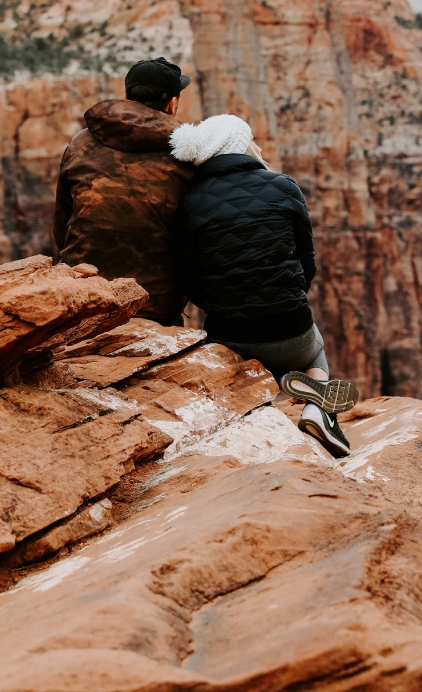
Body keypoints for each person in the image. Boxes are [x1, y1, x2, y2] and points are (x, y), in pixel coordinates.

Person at [170, 113, 359, 458]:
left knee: (242, 357)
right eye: (250, 138)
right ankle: (319, 410)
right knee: (314, 352)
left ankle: (257, 422)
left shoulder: (190, 201)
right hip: (290, 326)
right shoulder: (283, 185)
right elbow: (307, 261)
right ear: (238, 145)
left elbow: (190, 277)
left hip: (231, 335)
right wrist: (288, 296)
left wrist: (223, 306)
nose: (257, 144)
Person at [53, 57, 194, 324]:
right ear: (172, 104)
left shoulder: (80, 142)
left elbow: (63, 222)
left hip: (82, 296)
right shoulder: (187, 150)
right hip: (157, 305)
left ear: (127, 96)